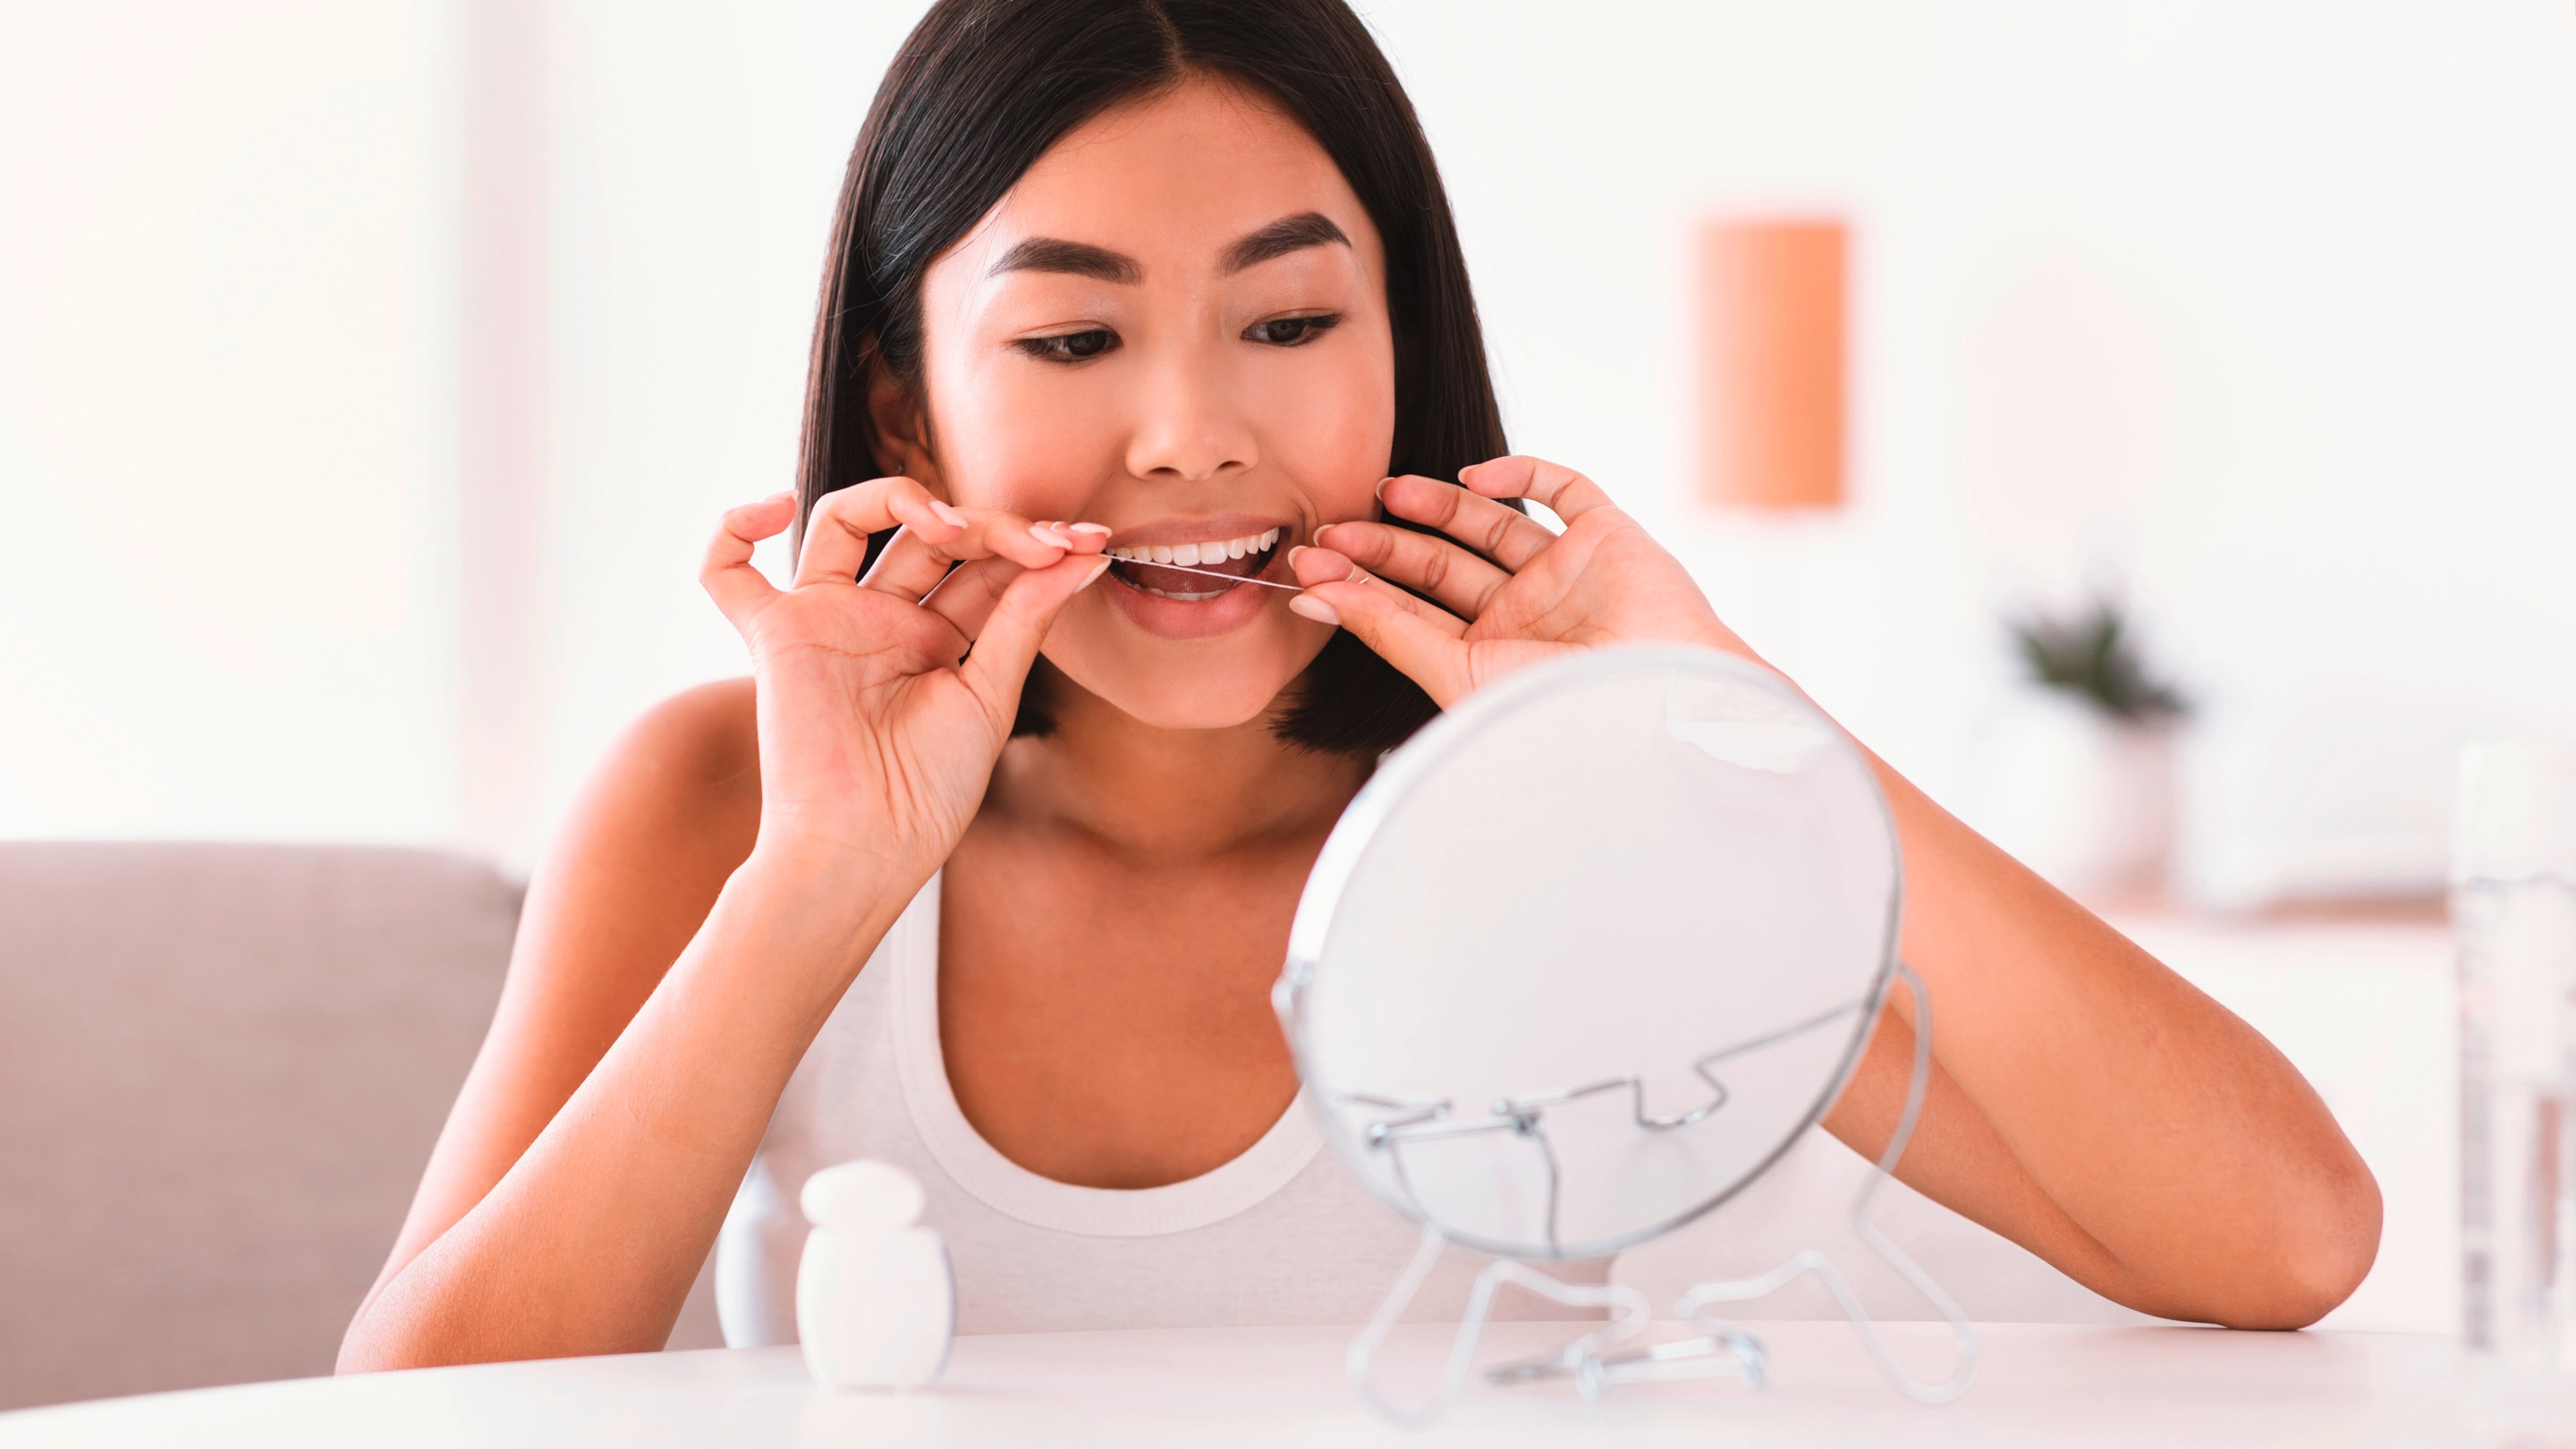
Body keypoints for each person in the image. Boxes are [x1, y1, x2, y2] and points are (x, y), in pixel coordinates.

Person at [340, 0, 2379, 1372]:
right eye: (1069, 345)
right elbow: (409, 1408)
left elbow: (2289, 1241)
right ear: (908, 402)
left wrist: (1712, 718)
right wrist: (819, 882)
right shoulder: (717, 807)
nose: (1186, 435)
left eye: (1291, 317)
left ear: (1401, 344)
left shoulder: (1597, 822)